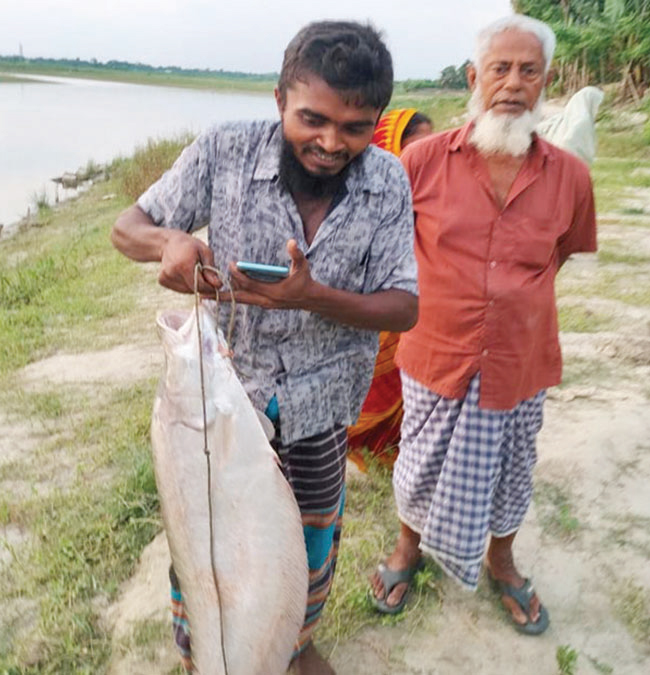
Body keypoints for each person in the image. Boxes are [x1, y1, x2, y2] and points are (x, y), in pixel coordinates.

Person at [111, 20, 418, 675]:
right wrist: (168, 244)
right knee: (209, 547)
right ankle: (210, 655)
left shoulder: (388, 181)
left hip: (321, 410)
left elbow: (405, 305)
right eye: (314, 119)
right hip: (223, 409)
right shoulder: (223, 151)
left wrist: (311, 296)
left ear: (377, 122)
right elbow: (127, 226)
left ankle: (294, 643)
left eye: (357, 127)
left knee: (304, 549)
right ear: (279, 99)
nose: (332, 142)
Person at [369, 14, 596, 636]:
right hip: (436, 349)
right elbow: (390, 243)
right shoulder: (418, 161)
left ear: (546, 82)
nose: (513, 83)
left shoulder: (570, 176)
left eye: (529, 71)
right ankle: (407, 549)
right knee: (418, 460)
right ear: (475, 78)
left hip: (521, 358)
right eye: (500, 69)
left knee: (514, 465)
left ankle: (502, 560)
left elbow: (563, 251)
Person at [347, 108, 432, 471]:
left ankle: (399, 431)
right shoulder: (364, 195)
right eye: (413, 148)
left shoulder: (435, 191)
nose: (422, 157)